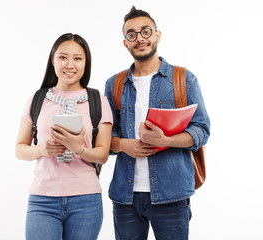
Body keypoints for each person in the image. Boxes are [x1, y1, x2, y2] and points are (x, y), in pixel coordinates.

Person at [104, 6, 210, 240]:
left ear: (157, 35)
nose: (139, 38)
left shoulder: (184, 79)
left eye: (145, 31)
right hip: (126, 197)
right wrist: (123, 145)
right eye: (131, 34)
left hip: (171, 196)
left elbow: (202, 129)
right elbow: (104, 136)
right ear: (125, 43)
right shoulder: (114, 84)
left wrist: (167, 140)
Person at [16, 33, 113, 240]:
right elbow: (19, 149)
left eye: (78, 58)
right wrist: (43, 149)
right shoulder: (37, 99)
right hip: (42, 199)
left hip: (86, 200)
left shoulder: (99, 101)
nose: (70, 64)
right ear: (53, 61)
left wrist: (79, 148)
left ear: (86, 63)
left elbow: (103, 155)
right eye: (63, 57)